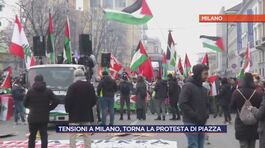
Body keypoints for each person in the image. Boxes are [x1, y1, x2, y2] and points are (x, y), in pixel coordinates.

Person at [179, 64, 209, 148]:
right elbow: (182, 103)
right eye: (205, 73)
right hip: (190, 122)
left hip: (202, 123)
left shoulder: (203, 89)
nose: (207, 76)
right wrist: (195, 115)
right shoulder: (188, 86)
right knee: (193, 145)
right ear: (198, 74)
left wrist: (206, 115)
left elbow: (207, 105)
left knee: (200, 145)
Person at [65, 69, 97, 148]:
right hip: (86, 114)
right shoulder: (89, 86)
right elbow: (94, 99)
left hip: (74, 115)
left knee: (73, 135)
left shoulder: (72, 86)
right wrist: (88, 107)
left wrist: (68, 110)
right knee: (87, 135)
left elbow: (68, 100)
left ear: (75, 76)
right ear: (83, 75)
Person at [24, 75, 59, 148]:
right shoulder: (48, 91)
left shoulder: (30, 91)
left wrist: (31, 107)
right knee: (44, 136)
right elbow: (57, 100)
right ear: (43, 80)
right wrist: (49, 108)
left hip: (32, 117)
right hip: (44, 117)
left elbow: (24, 103)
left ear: (35, 81)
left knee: (32, 136)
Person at [231, 73, 263, 148]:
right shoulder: (258, 93)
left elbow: (232, 107)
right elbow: (261, 108)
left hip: (241, 122)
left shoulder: (236, 93)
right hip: (254, 122)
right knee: (252, 145)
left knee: (243, 145)